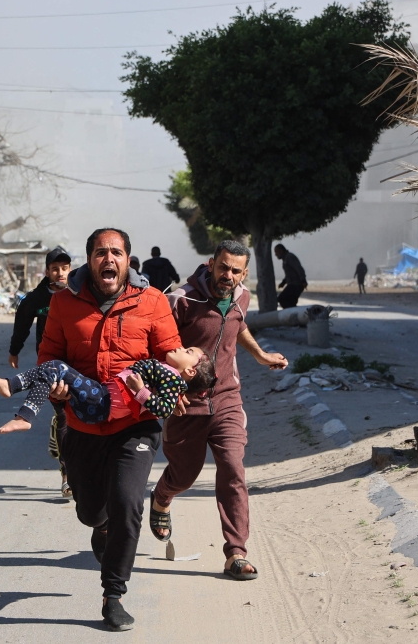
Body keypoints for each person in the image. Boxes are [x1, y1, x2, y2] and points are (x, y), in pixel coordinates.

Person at [39, 227, 181, 631]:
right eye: (101, 252)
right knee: (90, 512)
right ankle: (100, 526)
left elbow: (169, 354)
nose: (109, 259)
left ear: (128, 260)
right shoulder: (65, 303)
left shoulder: (151, 302)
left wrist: (179, 381)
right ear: (89, 260)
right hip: (83, 425)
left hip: (135, 424)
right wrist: (57, 389)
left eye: (116, 252)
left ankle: (113, 594)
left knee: (127, 502)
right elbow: (49, 354)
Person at [150, 240, 289, 581]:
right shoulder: (181, 299)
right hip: (186, 406)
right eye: (223, 267)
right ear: (211, 264)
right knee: (184, 475)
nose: (228, 275)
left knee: (232, 469)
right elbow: (155, 346)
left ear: (245, 273)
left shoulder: (242, 296)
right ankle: (162, 496)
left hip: (227, 399)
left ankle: (236, 553)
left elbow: (237, 326)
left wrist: (259, 355)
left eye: (235, 270)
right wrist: (168, 390)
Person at [0, 346, 213, 433]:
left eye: (188, 351)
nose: (181, 347)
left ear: (191, 371)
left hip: (101, 402)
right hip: (98, 399)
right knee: (50, 372)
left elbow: (164, 410)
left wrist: (141, 389)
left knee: (54, 367)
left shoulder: (174, 382)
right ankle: (23, 414)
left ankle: (12, 387)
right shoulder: (169, 371)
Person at [8, 247, 72, 496]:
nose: (60, 273)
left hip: (78, 363)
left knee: (79, 417)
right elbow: (22, 323)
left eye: (64, 268)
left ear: (70, 269)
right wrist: (14, 350)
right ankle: (67, 475)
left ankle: (61, 438)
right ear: (47, 272)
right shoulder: (36, 298)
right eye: (55, 269)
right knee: (65, 416)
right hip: (50, 366)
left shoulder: (80, 293)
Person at [275, 244, 307, 309]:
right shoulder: (286, 258)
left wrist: (303, 280)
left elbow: (299, 268)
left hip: (296, 284)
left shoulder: (289, 257)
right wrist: (283, 283)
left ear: (281, 250)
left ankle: (293, 314)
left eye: (276, 252)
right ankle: (293, 315)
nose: (275, 254)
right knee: (290, 302)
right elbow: (289, 274)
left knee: (282, 299)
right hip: (292, 284)